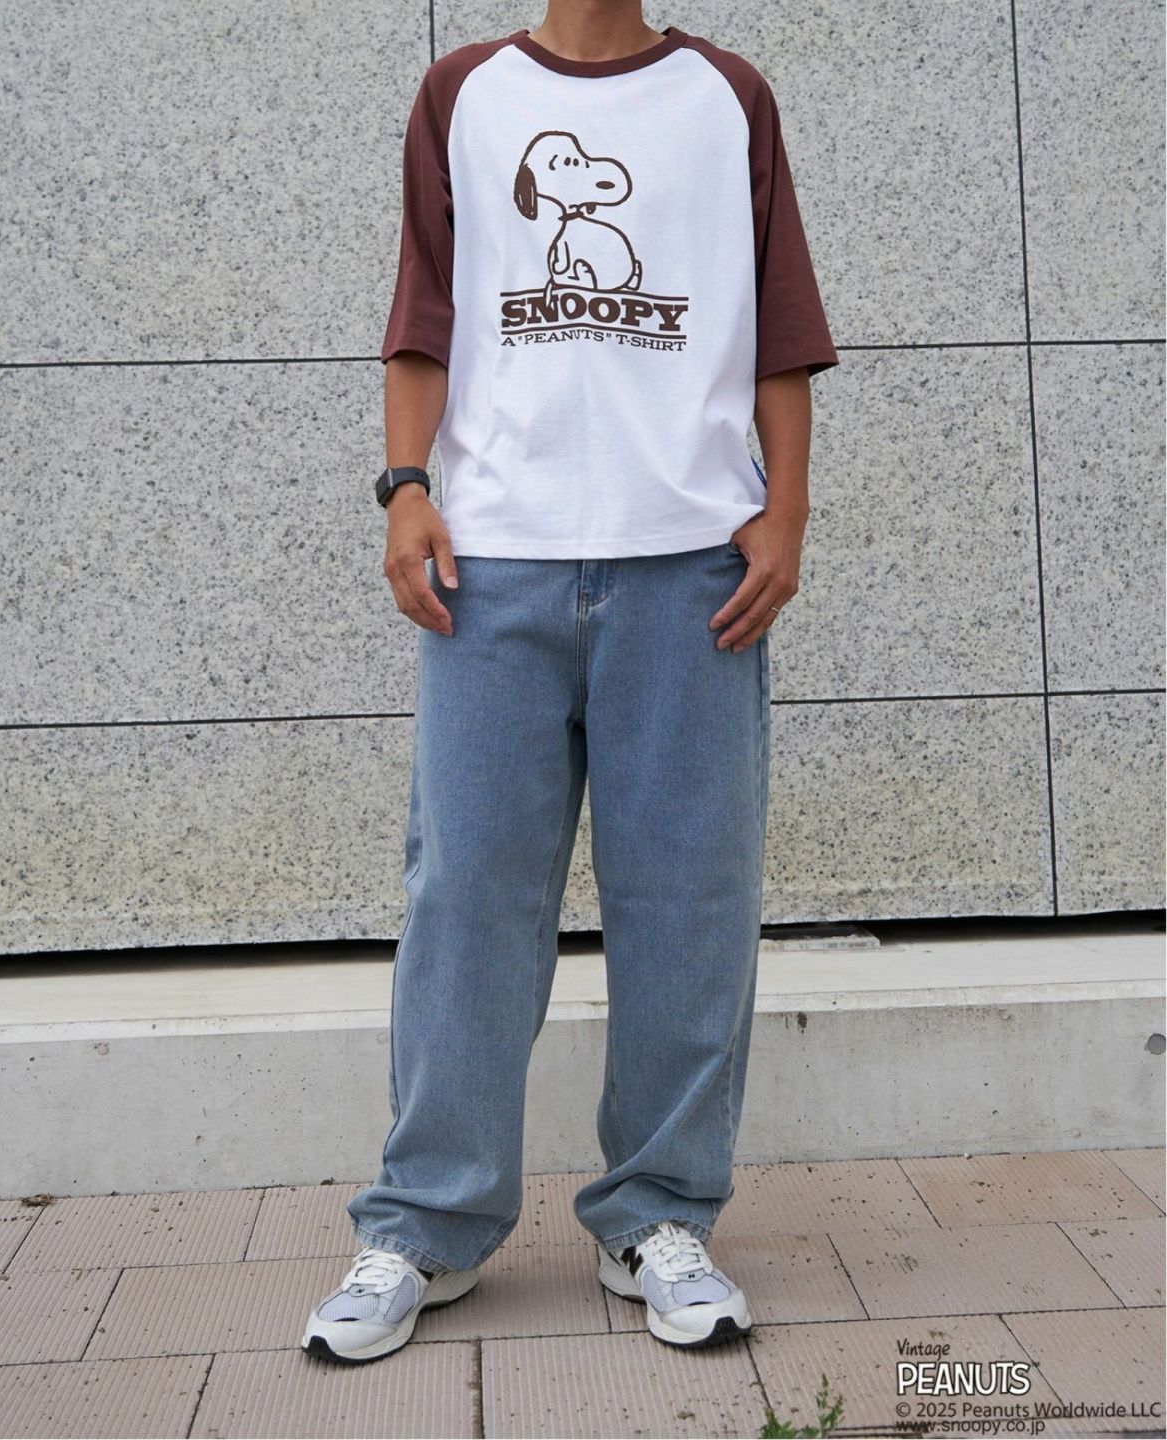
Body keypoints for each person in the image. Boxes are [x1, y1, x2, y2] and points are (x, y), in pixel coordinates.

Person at [303, 0, 838, 1363]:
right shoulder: (464, 94)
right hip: (494, 570)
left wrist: (785, 512)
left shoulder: (727, 96)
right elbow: (423, 316)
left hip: (691, 571)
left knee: (689, 898)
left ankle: (658, 1215)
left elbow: (779, 326)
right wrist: (405, 487)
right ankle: (426, 1223)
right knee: (466, 895)